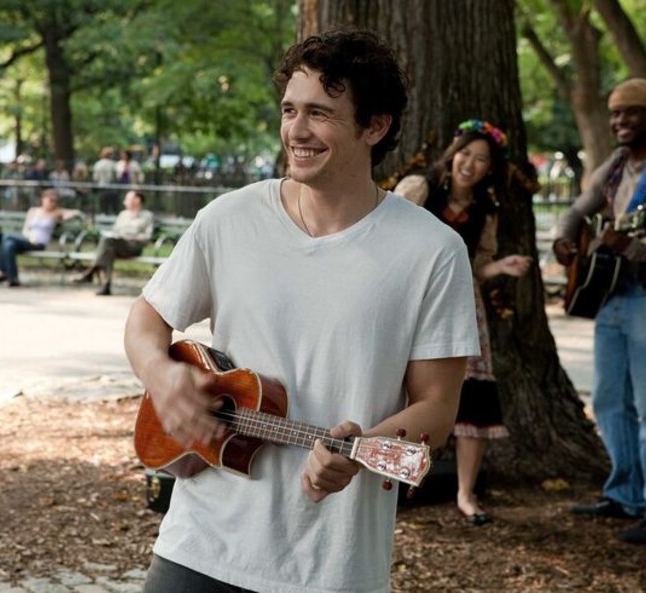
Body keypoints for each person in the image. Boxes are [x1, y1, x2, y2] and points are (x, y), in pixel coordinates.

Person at [124, 29, 479, 593]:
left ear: (375, 126)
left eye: (320, 113)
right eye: (290, 110)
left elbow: (437, 407)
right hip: (199, 546)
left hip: (333, 566)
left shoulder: (432, 251)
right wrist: (161, 375)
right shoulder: (229, 218)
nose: (296, 130)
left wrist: (358, 451)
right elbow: (147, 317)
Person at [553, 78, 646, 545]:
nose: (620, 121)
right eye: (616, 113)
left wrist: (635, 248)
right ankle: (625, 495)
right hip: (613, 294)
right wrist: (564, 238)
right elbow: (576, 210)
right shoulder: (616, 164)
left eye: (631, 112)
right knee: (610, 400)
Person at [396, 120, 532, 527]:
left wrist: (501, 267)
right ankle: (396, 481)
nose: (470, 164)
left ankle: (466, 494)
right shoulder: (420, 190)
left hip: (461, 304)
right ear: (453, 155)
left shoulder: (485, 211)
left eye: (481, 159)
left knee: (470, 396)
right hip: (412, 298)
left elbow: (477, 266)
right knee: (403, 389)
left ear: (490, 168)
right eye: (465, 154)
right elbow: (387, 238)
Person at [0, 187, 81, 287]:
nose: (53, 203)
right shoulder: (33, 211)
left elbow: (75, 212)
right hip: (27, 239)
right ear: (43, 199)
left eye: (55, 201)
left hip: (39, 243)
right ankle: (13, 278)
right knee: (9, 245)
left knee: (6, 238)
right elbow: (25, 229)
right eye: (50, 200)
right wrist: (30, 237)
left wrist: (72, 214)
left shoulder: (57, 213)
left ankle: (2, 271)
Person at [72, 190, 154, 296]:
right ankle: (106, 286)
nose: (124, 201)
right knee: (109, 250)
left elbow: (148, 236)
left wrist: (135, 237)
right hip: (117, 244)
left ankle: (90, 272)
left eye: (127, 199)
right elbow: (116, 231)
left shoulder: (147, 216)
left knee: (107, 243)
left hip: (133, 246)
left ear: (137, 200)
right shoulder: (123, 214)